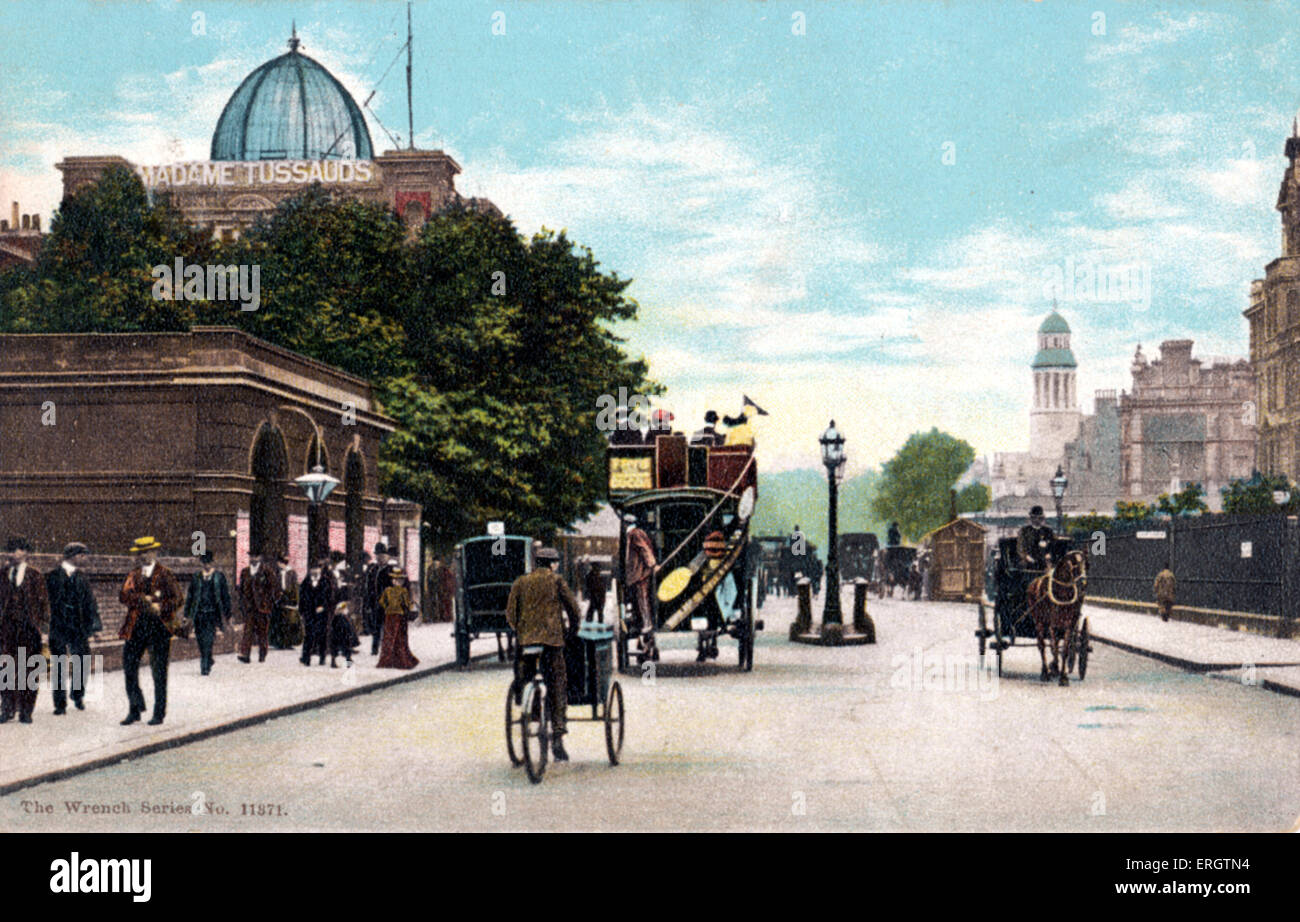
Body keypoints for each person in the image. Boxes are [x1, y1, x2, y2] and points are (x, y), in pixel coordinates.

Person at [505, 546, 580, 761]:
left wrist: (521, 631)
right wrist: (572, 631)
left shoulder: (521, 582)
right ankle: (557, 733)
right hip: (552, 642)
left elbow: (510, 614)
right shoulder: (556, 581)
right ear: (553, 564)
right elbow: (573, 609)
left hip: (526, 642)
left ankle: (527, 704)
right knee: (558, 683)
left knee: (523, 674)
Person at [119, 537, 182, 725]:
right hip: (136, 627)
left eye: (147, 551)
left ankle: (159, 713)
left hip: (159, 628)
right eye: (141, 552)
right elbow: (123, 596)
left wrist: (161, 607)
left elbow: (178, 598)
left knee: (159, 672)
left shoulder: (165, 574)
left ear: (154, 553)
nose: (144, 555)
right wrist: (143, 599)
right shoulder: (133, 574)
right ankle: (135, 708)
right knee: (129, 668)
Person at [45, 542, 101, 715]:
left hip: (79, 627)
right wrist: (45, 628)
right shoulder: (51, 577)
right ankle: (59, 704)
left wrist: (95, 628)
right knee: (59, 664)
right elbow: (45, 605)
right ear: (73, 555)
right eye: (82, 555)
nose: (85, 558)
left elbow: (91, 603)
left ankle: (77, 696)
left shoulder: (82, 578)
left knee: (82, 662)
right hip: (58, 627)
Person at [1, 537, 49, 724]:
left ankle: (26, 711)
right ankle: (7, 709)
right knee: (5, 669)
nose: (14, 554)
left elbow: (44, 604)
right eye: (11, 550)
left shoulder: (35, 575)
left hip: (29, 629)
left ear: (26, 553)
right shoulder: (3, 574)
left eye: (18, 550)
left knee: (29, 670)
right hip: (6, 629)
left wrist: (44, 630)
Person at [183, 551, 231, 676]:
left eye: (209, 563)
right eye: (204, 563)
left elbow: (225, 596)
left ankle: (204, 667)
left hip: (212, 614)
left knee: (208, 639)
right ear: (202, 563)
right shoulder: (196, 577)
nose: (207, 565)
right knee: (200, 639)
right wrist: (186, 614)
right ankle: (208, 658)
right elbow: (190, 596)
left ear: (212, 562)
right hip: (198, 614)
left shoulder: (219, 577)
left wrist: (228, 614)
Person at [237, 552, 281, 663]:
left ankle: (262, 654)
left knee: (262, 632)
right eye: (251, 556)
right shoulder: (245, 572)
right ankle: (245, 654)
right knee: (248, 631)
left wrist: (270, 603)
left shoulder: (267, 571)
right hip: (249, 607)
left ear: (260, 557)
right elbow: (241, 590)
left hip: (263, 607)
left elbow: (275, 589)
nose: (253, 559)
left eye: (255, 556)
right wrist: (242, 604)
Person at [376, 567, 419, 670]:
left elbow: (382, 602)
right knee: (399, 637)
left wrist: (388, 607)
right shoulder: (402, 591)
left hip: (390, 615)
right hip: (399, 615)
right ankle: (399, 659)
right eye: (395, 579)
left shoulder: (388, 590)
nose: (397, 582)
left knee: (389, 636)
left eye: (399, 580)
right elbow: (407, 603)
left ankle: (388, 660)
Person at [623, 514, 657, 642]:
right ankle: (644, 624)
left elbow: (644, 549)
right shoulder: (635, 533)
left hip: (639, 574)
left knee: (642, 599)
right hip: (637, 574)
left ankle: (647, 625)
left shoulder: (634, 534)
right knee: (641, 600)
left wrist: (651, 564)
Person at [299, 560, 335, 666]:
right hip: (309, 612)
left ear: (320, 570)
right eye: (312, 569)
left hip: (322, 613)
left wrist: (324, 607)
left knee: (322, 635)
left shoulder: (326, 581)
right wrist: (302, 611)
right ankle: (306, 658)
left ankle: (322, 657)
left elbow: (330, 597)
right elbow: (302, 597)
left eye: (317, 569)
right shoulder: (305, 582)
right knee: (309, 635)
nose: (314, 571)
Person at [363, 543, 393, 655]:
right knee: (376, 627)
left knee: (388, 628)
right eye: (378, 556)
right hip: (375, 603)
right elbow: (368, 587)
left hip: (387, 604)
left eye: (382, 556)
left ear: (387, 557)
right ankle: (374, 649)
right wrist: (368, 602)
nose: (380, 558)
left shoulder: (391, 570)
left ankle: (387, 650)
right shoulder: (373, 570)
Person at [269, 554, 301, 649]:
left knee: (289, 621)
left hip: (289, 598)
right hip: (279, 599)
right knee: (279, 621)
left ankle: (289, 642)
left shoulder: (291, 573)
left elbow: (295, 587)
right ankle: (279, 642)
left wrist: (295, 600)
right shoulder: (276, 573)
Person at [1017, 506, 1055, 571]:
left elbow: (1053, 545)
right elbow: (1020, 547)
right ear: (1031, 518)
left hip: (1045, 561)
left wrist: (1049, 554)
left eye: (1040, 518)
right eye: (1034, 518)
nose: (1037, 520)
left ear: (1043, 518)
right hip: (1028, 560)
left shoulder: (1048, 531)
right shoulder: (1024, 531)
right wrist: (1026, 556)